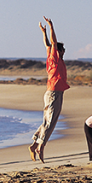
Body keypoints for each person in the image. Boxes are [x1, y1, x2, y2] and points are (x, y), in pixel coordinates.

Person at [29, 17, 69, 163]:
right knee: (51, 122)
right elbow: (52, 43)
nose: (64, 51)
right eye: (63, 49)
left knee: (47, 121)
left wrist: (43, 32)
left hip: (54, 92)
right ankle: (41, 147)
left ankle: (34, 145)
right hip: (54, 93)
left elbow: (47, 44)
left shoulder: (51, 57)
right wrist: (51, 26)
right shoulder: (55, 57)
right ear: (59, 50)